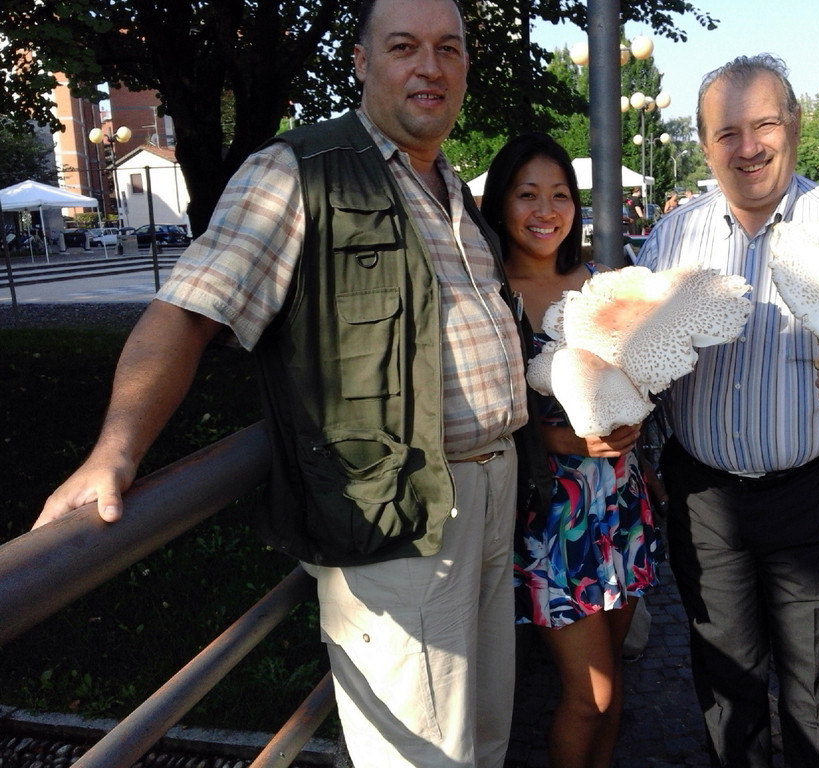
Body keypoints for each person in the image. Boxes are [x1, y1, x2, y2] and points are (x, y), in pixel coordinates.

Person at [32, 0, 549, 765]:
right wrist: (116, 448)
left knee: (482, 733)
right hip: (396, 517)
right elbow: (188, 312)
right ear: (361, 61)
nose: (430, 66)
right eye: (403, 46)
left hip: (493, 493)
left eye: (448, 48)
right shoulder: (296, 171)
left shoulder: (451, 188)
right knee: (421, 756)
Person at [634, 54, 819, 768]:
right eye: (727, 131)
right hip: (703, 496)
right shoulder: (672, 238)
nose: (749, 145)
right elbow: (638, 357)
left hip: (815, 492)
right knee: (723, 681)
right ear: (704, 146)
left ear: (793, 125)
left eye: (765, 123)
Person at [479, 132, 662, 768]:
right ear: (501, 204)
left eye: (559, 195)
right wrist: (555, 437)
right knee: (590, 693)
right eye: (527, 194)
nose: (545, 210)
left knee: (614, 694)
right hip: (552, 519)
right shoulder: (489, 295)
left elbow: (645, 375)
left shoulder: (602, 285)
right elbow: (467, 409)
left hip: (620, 506)